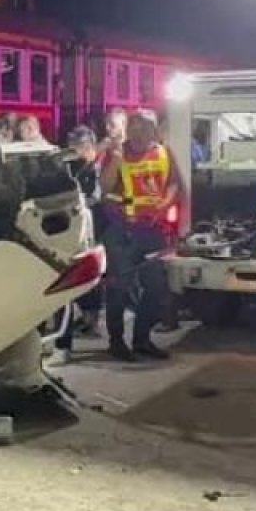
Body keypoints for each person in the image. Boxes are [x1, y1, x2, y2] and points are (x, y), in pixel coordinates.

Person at [97, 109, 181, 361]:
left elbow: (173, 183)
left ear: (153, 130)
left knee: (155, 287)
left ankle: (142, 340)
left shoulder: (163, 153)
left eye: (144, 127)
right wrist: (116, 159)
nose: (138, 132)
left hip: (152, 231)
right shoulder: (117, 154)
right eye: (134, 126)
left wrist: (164, 204)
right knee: (119, 288)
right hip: (122, 232)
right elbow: (104, 188)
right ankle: (116, 342)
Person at [50, 125, 106, 364]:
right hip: (71, 239)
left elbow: (93, 200)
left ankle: (68, 341)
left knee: (78, 289)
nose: (74, 152)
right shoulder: (69, 170)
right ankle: (63, 343)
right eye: (72, 146)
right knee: (66, 293)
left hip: (89, 238)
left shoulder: (97, 170)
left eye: (79, 147)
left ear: (90, 147)